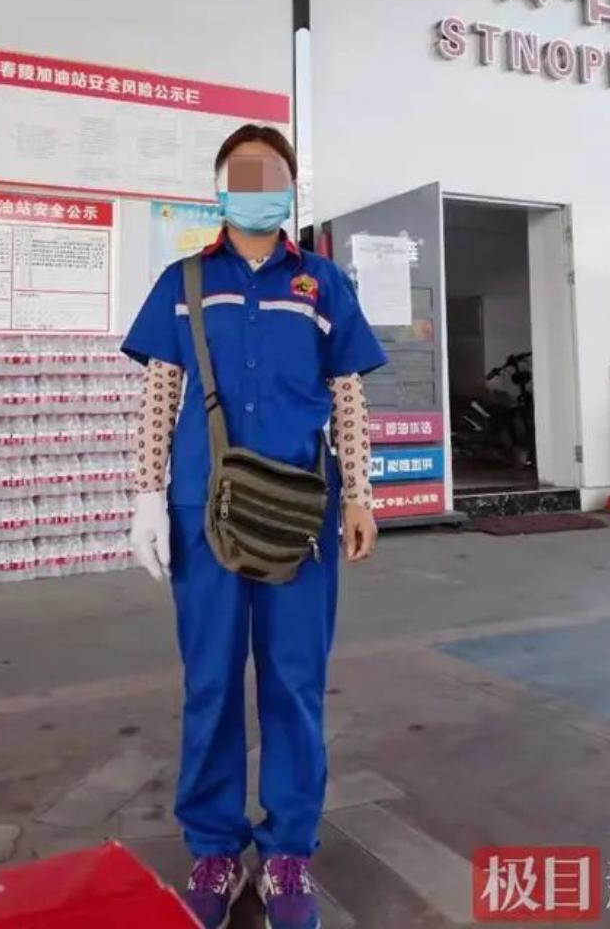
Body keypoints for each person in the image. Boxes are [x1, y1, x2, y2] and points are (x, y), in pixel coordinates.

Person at [122, 124, 386, 929]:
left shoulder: (323, 284)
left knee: (293, 681)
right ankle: (214, 848)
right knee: (209, 680)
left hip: (299, 513)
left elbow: (349, 394)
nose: (257, 190)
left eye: (270, 177)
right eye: (242, 177)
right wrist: (146, 494)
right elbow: (159, 393)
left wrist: (359, 494)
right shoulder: (184, 281)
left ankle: (288, 854)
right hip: (202, 510)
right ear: (220, 189)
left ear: (291, 191)